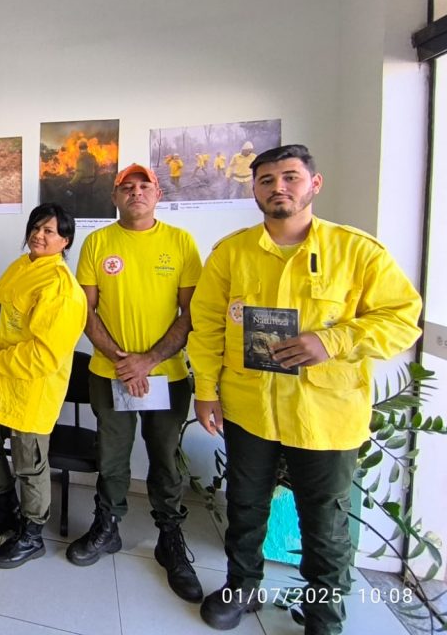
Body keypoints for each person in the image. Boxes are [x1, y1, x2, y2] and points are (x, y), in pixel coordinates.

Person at [189, 144, 422, 634]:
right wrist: (206, 391)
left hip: (324, 416)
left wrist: (333, 340)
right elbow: (207, 326)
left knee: (325, 524)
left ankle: (323, 615)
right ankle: (242, 587)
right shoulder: (231, 253)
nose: (279, 188)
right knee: (246, 506)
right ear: (253, 190)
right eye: (267, 180)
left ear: (314, 184)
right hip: (250, 408)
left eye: (290, 177)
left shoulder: (357, 252)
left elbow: (403, 320)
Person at [66, 164, 204, 602]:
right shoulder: (97, 242)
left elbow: (190, 313)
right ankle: (107, 528)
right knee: (112, 457)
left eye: (145, 187)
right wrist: (123, 362)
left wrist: (149, 360)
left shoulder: (180, 242)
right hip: (109, 376)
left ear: (158, 194)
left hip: (168, 376)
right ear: (115, 196)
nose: (136, 193)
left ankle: (171, 539)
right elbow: (86, 310)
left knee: (165, 459)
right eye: (128, 187)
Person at [0, 203, 87, 569]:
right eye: (37, 226)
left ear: (65, 240)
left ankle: (32, 535)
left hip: (31, 390)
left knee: (29, 465)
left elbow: (43, 355)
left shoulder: (62, 288)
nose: (40, 235)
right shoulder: (21, 266)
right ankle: (6, 506)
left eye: (50, 231)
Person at [69, 140, 99, 217]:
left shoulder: (80, 158)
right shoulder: (92, 156)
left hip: (82, 183)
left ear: (79, 148)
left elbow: (79, 173)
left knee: (79, 200)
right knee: (89, 200)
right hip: (91, 181)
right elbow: (97, 168)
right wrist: (95, 178)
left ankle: (78, 216)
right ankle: (90, 215)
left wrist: (71, 183)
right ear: (87, 147)